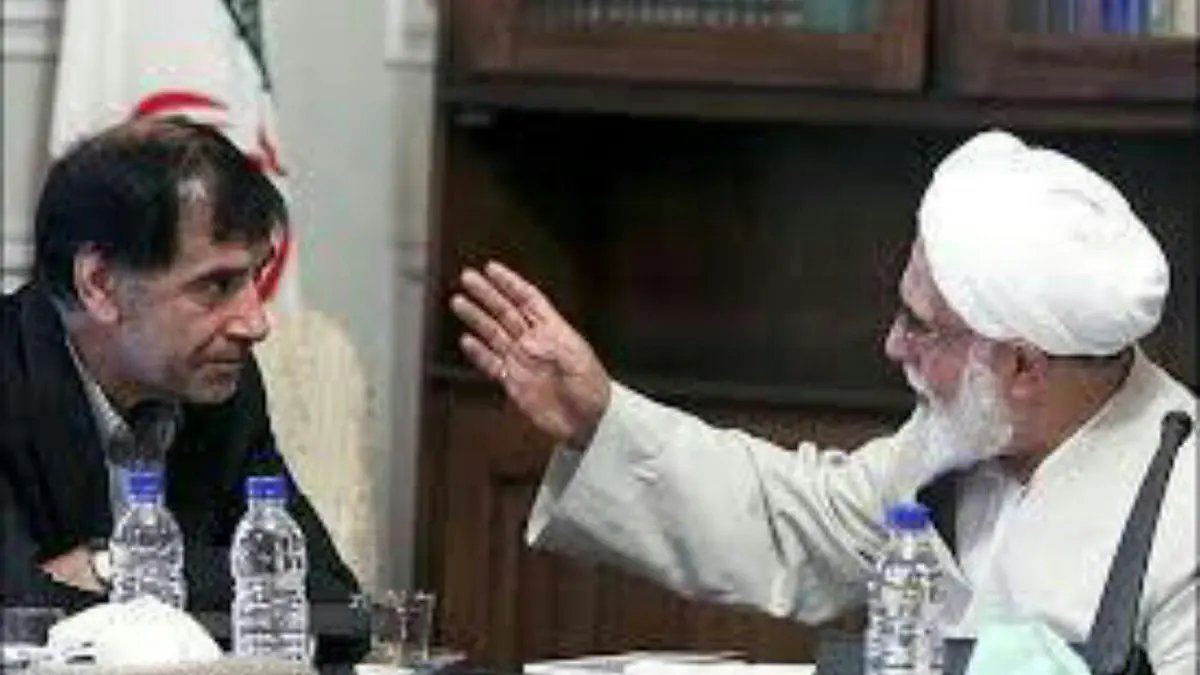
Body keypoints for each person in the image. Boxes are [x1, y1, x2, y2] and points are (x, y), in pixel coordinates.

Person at [449, 130, 1197, 673]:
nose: (893, 346)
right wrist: (599, 416)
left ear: (1023, 367)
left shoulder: (1183, 517)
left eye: (921, 326)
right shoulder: (966, 436)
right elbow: (801, 519)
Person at [0, 118, 360, 624]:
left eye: (256, 277)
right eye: (217, 285)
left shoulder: (224, 388)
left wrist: (113, 565)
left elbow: (336, 603)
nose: (256, 323)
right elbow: (17, 610)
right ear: (99, 284)